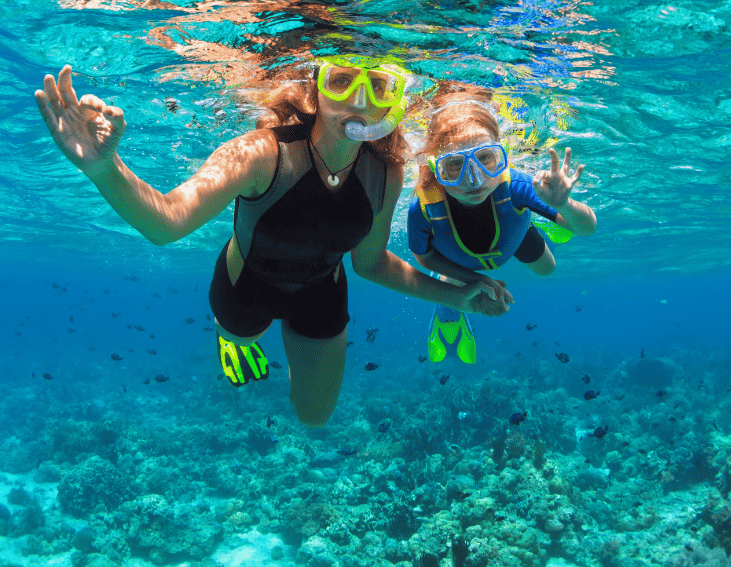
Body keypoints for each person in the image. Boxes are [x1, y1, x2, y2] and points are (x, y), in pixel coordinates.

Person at [34, 59, 509, 427]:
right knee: (242, 336)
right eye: (342, 81)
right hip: (246, 286)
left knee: (314, 417)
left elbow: (371, 265)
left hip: (323, 289)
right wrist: (103, 169)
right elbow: (167, 222)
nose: (359, 102)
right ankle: (231, 337)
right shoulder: (262, 153)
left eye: (379, 86)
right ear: (315, 90)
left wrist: (457, 296)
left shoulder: (386, 170)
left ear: (392, 100)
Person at [408, 88, 596, 365]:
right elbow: (423, 257)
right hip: (456, 260)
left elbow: (587, 228)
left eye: (485, 158)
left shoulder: (517, 186)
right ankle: (448, 317)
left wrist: (564, 205)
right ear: (437, 168)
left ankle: (543, 219)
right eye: (455, 165)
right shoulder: (424, 207)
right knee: (453, 287)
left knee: (548, 269)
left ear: (503, 155)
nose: (474, 180)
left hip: (513, 236)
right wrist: (476, 280)